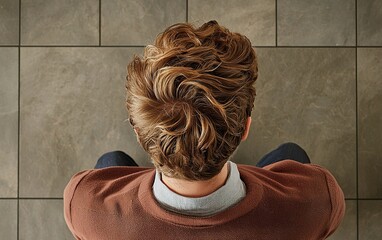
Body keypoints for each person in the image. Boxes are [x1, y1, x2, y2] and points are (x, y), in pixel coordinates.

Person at [64, 20, 345, 239]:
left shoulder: (85, 204)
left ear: (139, 134)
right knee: (291, 153)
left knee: (110, 162)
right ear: (245, 128)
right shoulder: (316, 201)